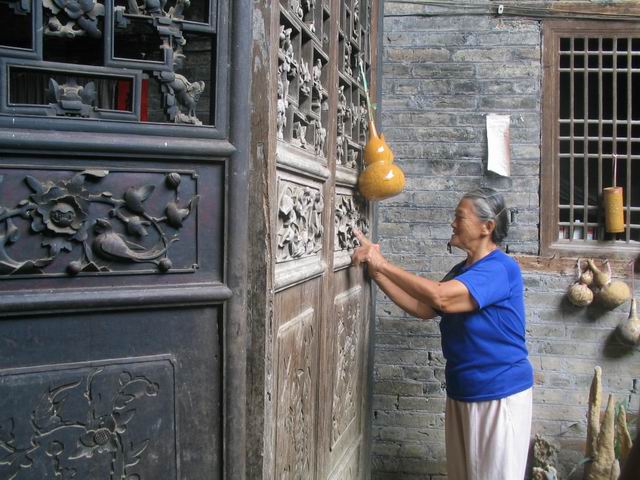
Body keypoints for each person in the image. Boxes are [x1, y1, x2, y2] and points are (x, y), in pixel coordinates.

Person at [352, 187, 534, 480]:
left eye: (460, 217)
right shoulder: (462, 271)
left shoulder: (500, 268)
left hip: (499, 393)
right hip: (463, 390)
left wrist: (382, 262)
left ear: (487, 227)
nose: (452, 222)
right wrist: (377, 273)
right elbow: (423, 307)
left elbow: (440, 296)